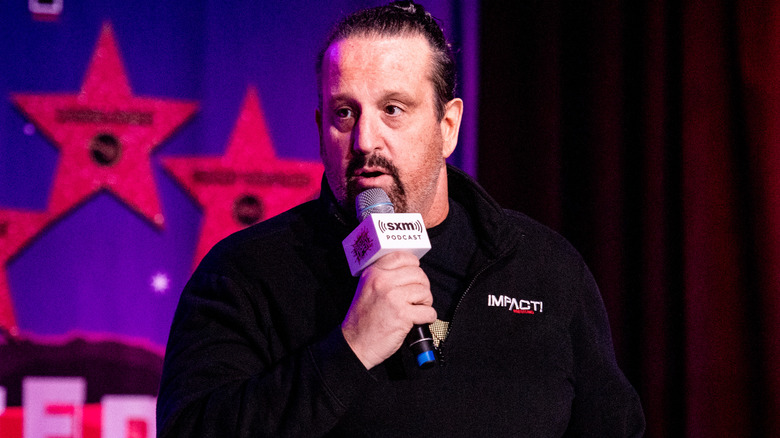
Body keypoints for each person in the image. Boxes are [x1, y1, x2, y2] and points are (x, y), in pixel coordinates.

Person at [156, 1, 646, 436]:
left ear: (447, 126)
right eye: (344, 113)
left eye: (393, 109)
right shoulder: (245, 273)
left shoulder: (543, 267)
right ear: (319, 127)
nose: (365, 140)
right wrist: (348, 351)